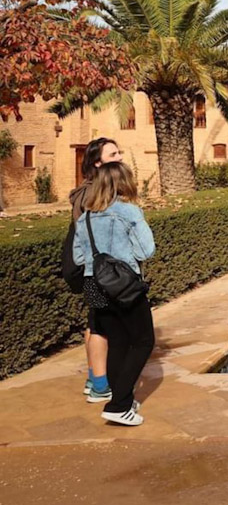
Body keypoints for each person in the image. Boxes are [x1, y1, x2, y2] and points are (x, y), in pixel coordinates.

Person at [71, 161, 155, 426]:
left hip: (94, 285)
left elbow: (78, 257)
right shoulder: (129, 212)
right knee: (143, 341)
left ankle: (122, 400)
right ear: (123, 182)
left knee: (117, 343)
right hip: (124, 285)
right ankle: (119, 405)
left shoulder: (84, 218)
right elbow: (145, 251)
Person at [68, 137, 125, 403]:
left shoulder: (87, 192)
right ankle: (101, 385)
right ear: (98, 162)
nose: (120, 157)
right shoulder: (94, 195)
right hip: (100, 271)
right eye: (113, 154)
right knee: (101, 325)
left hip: (94, 270)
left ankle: (94, 378)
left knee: (95, 322)